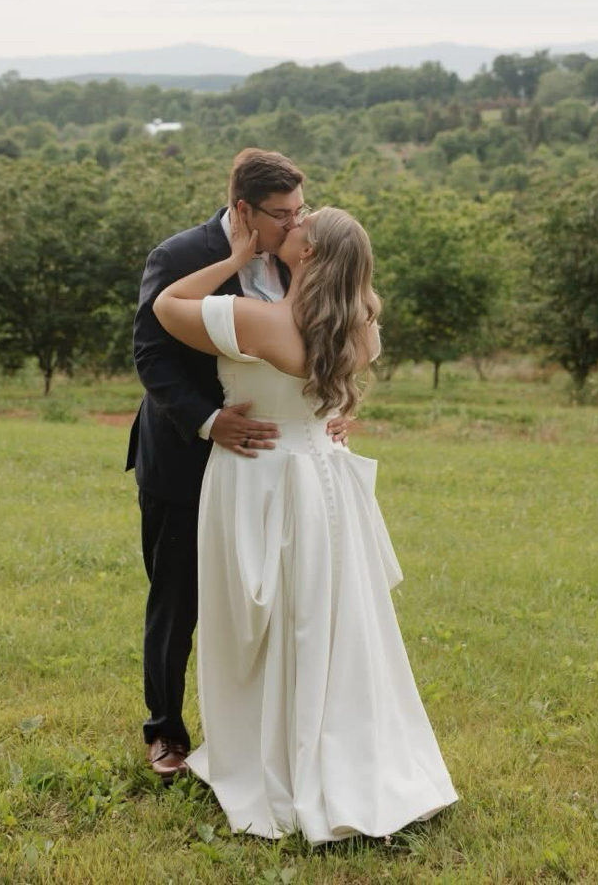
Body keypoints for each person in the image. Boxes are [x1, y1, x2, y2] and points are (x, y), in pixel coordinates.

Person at [152, 205, 458, 842]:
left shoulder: (258, 321)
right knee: (327, 618)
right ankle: (334, 745)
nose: (293, 222)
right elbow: (335, 392)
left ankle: (274, 759)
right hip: (326, 484)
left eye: (303, 224)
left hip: (261, 477)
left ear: (310, 255)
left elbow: (167, 306)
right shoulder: (360, 325)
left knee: (261, 624)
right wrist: (335, 417)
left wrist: (234, 260)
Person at [126, 149, 350, 781]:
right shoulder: (178, 257)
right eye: (282, 215)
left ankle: (262, 732)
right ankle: (165, 730)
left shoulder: (299, 257)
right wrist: (208, 419)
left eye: (300, 211)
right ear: (244, 209)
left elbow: (331, 336)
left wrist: (331, 406)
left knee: (274, 599)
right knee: (178, 597)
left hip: (276, 470)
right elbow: (152, 356)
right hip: (184, 456)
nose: (294, 225)